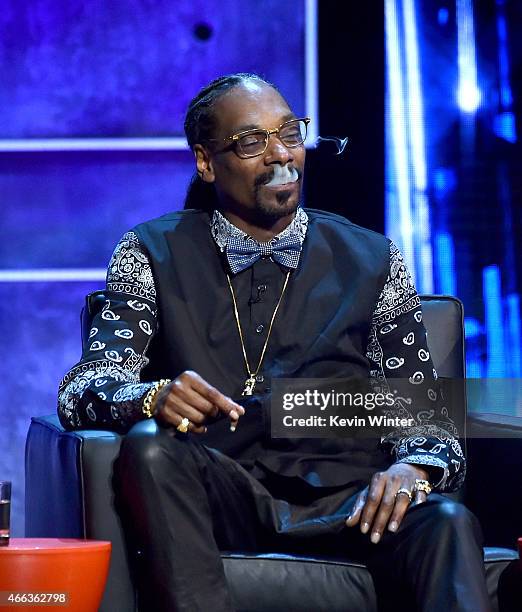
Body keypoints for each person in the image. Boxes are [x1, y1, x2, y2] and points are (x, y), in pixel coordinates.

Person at [58, 73, 490, 611]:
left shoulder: (373, 258)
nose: (280, 154)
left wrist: (413, 468)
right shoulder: (152, 251)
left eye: (290, 133)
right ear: (206, 162)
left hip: (351, 502)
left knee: (446, 520)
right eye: (250, 142)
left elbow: (427, 418)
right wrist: (152, 396)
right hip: (219, 496)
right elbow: (84, 389)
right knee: (151, 444)